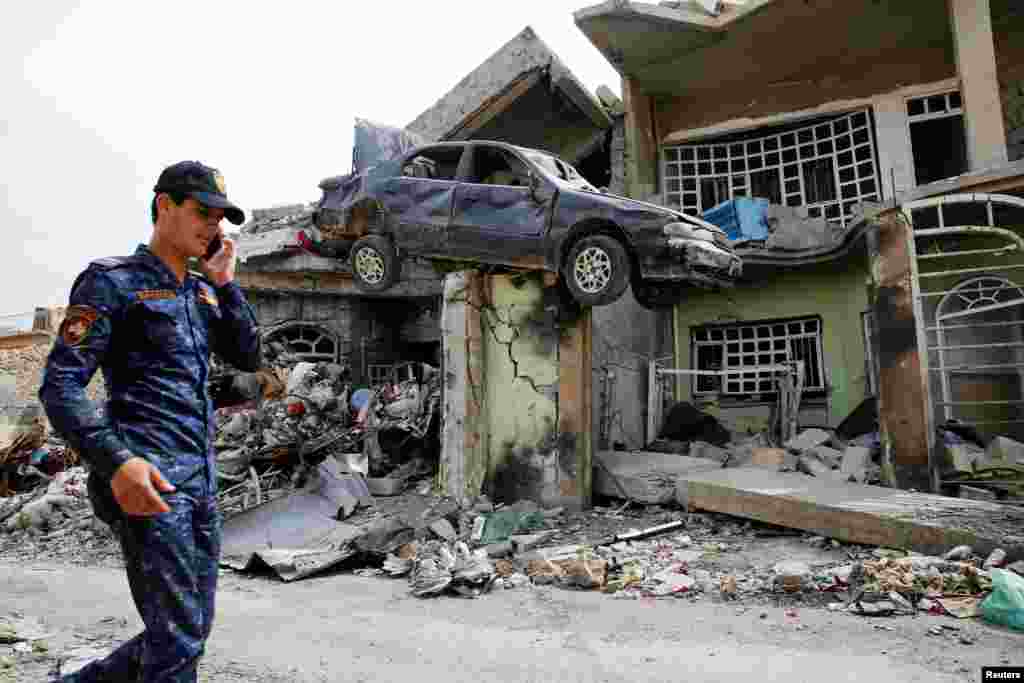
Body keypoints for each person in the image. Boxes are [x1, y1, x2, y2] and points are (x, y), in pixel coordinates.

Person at [39, 161, 262, 682]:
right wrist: (117, 464)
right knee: (180, 640)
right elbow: (60, 386)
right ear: (165, 206)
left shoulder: (202, 291)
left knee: (185, 631)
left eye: (221, 218)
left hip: (201, 483)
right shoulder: (112, 282)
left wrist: (226, 284)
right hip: (149, 482)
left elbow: (249, 356)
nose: (214, 226)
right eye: (201, 212)